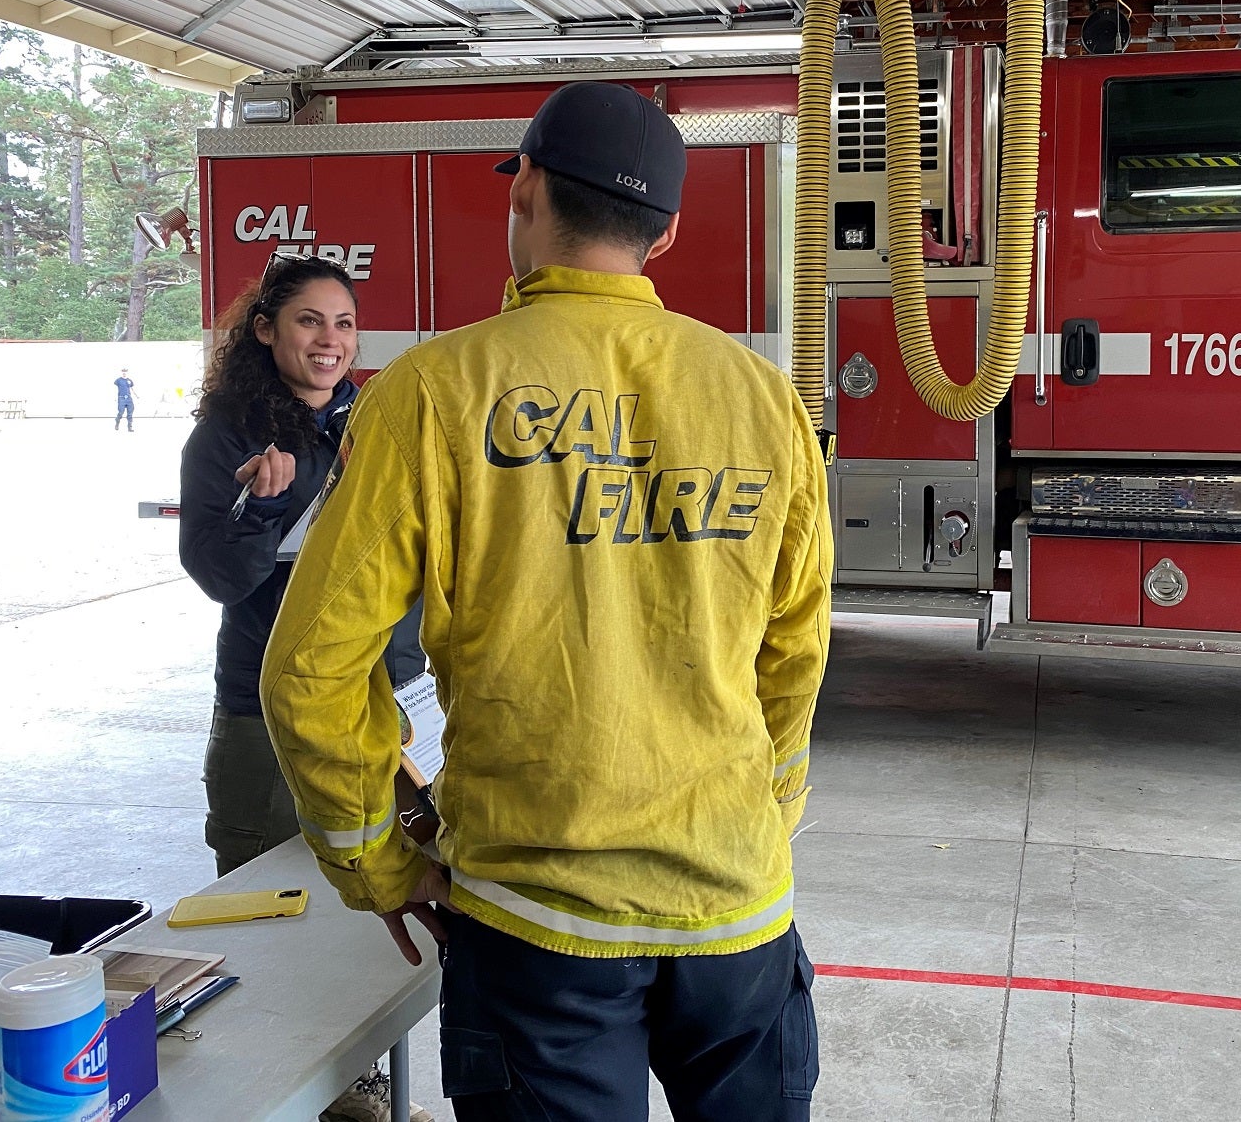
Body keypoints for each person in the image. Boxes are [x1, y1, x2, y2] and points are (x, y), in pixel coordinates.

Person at [260, 82, 833, 1122]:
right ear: (662, 236)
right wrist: (761, 818)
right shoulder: (765, 399)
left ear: (523, 188)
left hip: (536, 923)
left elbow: (310, 669)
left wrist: (380, 860)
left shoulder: (434, 393)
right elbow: (793, 655)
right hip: (738, 914)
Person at [178, 253, 432, 1122]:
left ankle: (360, 1091)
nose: (331, 342)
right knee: (269, 914)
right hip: (263, 712)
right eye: (309, 321)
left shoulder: (373, 422)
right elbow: (218, 574)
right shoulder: (228, 435)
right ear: (265, 330)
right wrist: (263, 507)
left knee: (372, 896)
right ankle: (279, 1091)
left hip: (373, 706)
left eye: (345, 324)